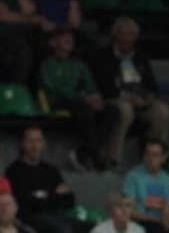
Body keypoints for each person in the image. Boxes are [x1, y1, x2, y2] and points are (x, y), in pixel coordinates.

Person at [89, 15, 169, 168]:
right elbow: (104, 86)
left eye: (130, 37)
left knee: (162, 110)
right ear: (116, 36)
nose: (127, 41)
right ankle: (113, 159)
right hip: (115, 98)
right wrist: (128, 96)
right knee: (125, 110)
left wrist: (149, 96)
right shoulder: (104, 55)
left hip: (140, 101)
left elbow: (151, 84)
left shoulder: (140, 57)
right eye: (123, 37)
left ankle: (153, 157)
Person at [40, 24, 116, 172]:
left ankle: (84, 149)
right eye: (63, 36)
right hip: (57, 102)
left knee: (113, 111)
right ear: (54, 42)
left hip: (81, 102)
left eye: (71, 37)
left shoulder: (79, 65)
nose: (68, 39)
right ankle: (95, 153)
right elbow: (55, 89)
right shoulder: (48, 63)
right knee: (84, 110)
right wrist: (82, 97)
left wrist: (96, 99)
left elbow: (92, 88)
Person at [5, 126, 85, 233]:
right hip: (31, 219)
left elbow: (69, 199)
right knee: (63, 232)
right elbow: (24, 203)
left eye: (38, 141)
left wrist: (45, 195)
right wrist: (55, 195)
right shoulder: (14, 170)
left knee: (92, 229)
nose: (35, 146)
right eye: (30, 141)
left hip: (58, 216)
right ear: (22, 144)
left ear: (44, 144)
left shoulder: (51, 170)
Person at [122, 139, 169, 233]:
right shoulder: (133, 176)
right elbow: (129, 210)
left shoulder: (168, 180)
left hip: (158, 222)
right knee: (156, 229)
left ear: (163, 158)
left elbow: (167, 209)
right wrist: (155, 219)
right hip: (139, 221)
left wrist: (167, 219)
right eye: (148, 154)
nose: (151, 158)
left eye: (155, 155)